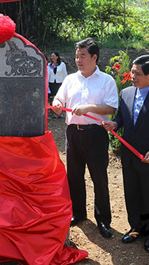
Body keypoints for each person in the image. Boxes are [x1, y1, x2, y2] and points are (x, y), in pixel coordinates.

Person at [102, 55, 149, 254]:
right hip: (129, 155)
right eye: (132, 71)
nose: (132, 76)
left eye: (137, 73)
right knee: (132, 193)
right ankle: (135, 227)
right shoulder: (126, 93)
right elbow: (122, 117)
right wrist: (115, 124)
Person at [52, 38, 118, 239]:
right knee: (74, 176)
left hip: (96, 134)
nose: (79, 60)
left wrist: (89, 108)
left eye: (83, 56)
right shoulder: (71, 79)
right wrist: (56, 103)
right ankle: (78, 213)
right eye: (77, 56)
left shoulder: (106, 80)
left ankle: (103, 220)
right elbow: (59, 98)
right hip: (73, 134)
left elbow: (111, 107)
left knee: (99, 177)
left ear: (94, 57)